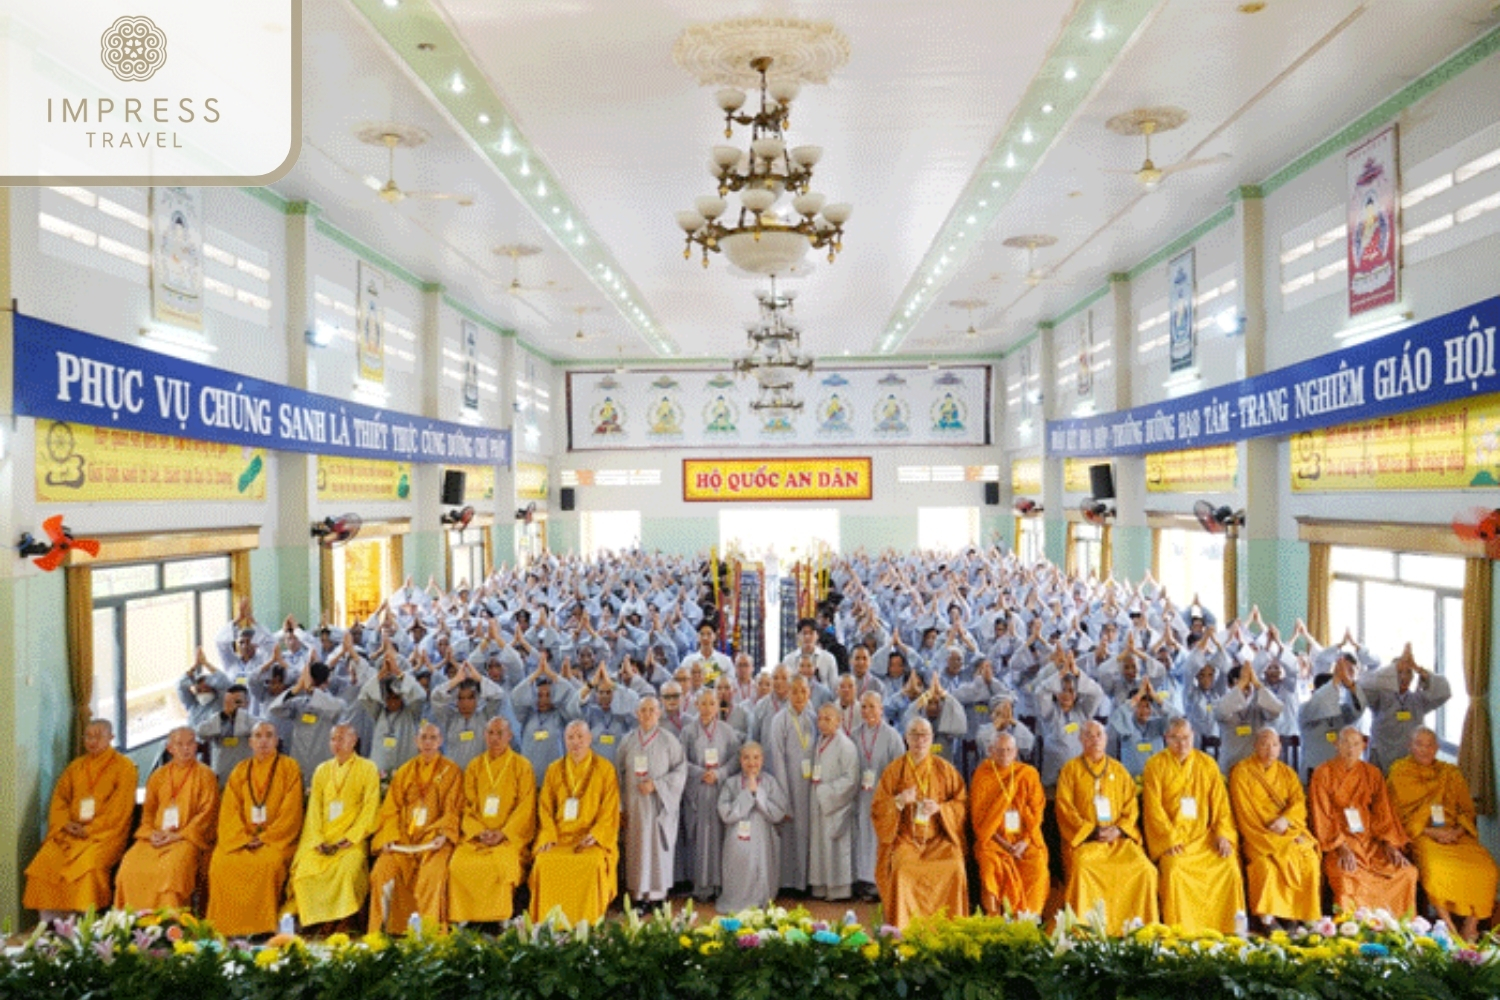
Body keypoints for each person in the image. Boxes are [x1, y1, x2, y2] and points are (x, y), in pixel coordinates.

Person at [1386, 727, 1498, 940]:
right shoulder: (1400, 772)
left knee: (1486, 867)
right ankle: (1447, 925)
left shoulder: (1450, 772)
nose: (1425, 750)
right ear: (1410, 747)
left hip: (1455, 835)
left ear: (1437, 748)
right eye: (1419, 744)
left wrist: (1456, 831)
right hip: (1422, 834)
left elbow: (1466, 810)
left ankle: (1470, 926)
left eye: (1429, 745)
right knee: (1436, 867)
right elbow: (1397, 816)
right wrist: (1432, 832)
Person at [23, 720, 138, 920]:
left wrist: (90, 830)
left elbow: (120, 810)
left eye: (98, 736)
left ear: (111, 738)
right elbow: (60, 799)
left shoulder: (124, 767)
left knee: (88, 866)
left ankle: (85, 924)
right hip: (69, 833)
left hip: (103, 837)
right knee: (44, 862)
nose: (92, 741)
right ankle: (51, 926)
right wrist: (65, 823)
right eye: (88, 736)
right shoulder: (75, 767)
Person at [1054, 720, 1159, 934]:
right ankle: (1087, 929)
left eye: (1099, 735)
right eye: (1089, 736)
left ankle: (1138, 928)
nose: (1095, 740)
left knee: (1145, 869)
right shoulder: (1070, 770)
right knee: (1083, 868)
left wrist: (1118, 829)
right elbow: (1065, 809)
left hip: (1118, 840)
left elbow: (1131, 808)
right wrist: (1092, 831)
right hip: (1086, 842)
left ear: (1106, 739)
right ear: (1081, 739)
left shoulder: (1119, 770)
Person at [1141, 718, 1244, 933]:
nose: (1181, 744)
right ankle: (1182, 930)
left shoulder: (1207, 764)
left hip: (1204, 839)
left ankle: (1227, 929)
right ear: (1166, 739)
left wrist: (1223, 834)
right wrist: (1169, 840)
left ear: (1193, 736)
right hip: (1176, 841)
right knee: (1175, 870)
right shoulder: (1155, 766)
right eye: (1175, 739)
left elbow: (1221, 806)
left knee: (1229, 867)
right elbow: (1153, 810)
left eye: (1186, 738)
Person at [206, 722, 305, 936]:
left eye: (269, 735)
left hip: (276, 840)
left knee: (268, 864)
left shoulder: (290, 768)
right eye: (258, 736)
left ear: (277, 740)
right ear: (250, 742)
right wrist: (242, 838)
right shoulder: (240, 770)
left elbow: (291, 811)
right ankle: (226, 928)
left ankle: (263, 928)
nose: (263, 741)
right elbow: (229, 811)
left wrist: (267, 837)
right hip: (242, 838)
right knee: (221, 863)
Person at [870, 717, 969, 928]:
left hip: (938, 839)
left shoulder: (945, 769)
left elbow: (961, 804)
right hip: (906, 839)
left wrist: (941, 809)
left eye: (924, 735)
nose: (919, 740)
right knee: (902, 871)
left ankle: (949, 929)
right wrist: (898, 801)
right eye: (914, 734)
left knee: (955, 867)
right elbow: (878, 809)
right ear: (906, 738)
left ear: (932, 738)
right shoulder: (894, 771)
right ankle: (903, 931)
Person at [1309, 726, 1417, 916]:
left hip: (1371, 842)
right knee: (1345, 875)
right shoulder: (1323, 773)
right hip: (1340, 842)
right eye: (1345, 743)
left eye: (1356, 744)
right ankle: (1352, 927)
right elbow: (1321, 815)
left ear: (1364, 746)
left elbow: (1383, 812)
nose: (1351, 749)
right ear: (1336, 745)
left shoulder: (1372, 774)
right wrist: (1341, 847)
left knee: (1407, 873)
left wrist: (1390, 845)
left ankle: (1395, 927)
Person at [368, 722, 463, 932]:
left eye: (433, 738)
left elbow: (452, 810)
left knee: (432, 875)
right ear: (416, 741)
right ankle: (379, 934)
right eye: (424, 738)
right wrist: (388, 837)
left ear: (440, 741)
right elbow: (390, 809)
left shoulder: (451, 771)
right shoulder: (405, 771)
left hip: (433, 842)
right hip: (404, 841)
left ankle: (428, 934)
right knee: (380, 872)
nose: (428, 742)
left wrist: (442, 834)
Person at [287, 723, 382, 931]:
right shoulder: (322, 770)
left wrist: (352, 837)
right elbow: (313, 810)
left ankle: (342, 920)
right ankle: (317, 920)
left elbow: (370, 808)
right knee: (305, 870)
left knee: (347, 870)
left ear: (354, 740)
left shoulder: (368, 768)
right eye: (333, 739)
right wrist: (317, 840)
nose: (336, 744)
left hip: (351, 841)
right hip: (322, 840)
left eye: (342, 738)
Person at [114, 726, 220, 911]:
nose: (185, 748)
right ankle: (132, 923)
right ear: (170, 748)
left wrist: (179, 836)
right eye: (180, 744)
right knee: (128, 867)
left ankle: (170, 925)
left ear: (196, 746)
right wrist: (151, 833)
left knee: (171, 871)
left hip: (187, 839)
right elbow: (148, 813)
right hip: (155, 838)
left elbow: (207, 815)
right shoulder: (158, 776)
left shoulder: (206, 775)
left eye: (190, 743)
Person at [1228, 728, 1322, 927]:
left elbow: (1298, 804)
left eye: (1274, 745)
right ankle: (1268, 917)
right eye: (1264, 744)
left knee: (1309, 859)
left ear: (1280, 747)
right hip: (1259, 836)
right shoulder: (1242, 772)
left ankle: (1299, 914)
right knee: (1266, 866)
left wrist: (1287, 821)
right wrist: (1275, 832)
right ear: (1255, 746)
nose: (1269, 749)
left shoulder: (1287, 773)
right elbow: (1244, 813)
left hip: (1287, 830)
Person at [448, 717, 536, 925]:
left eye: (500, 733)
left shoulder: (521, 766)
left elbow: (526, 806)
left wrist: (503, 833)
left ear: (510, 736)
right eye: (491, 733)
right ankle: (465, 916)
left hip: (507, 838)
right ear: (484, 736)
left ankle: (500, 917)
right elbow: (466, 806)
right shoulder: (475, 766)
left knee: (502, 865)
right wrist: (479, 831)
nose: (495, 739)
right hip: (478, 837)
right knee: (458, 864)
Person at [530, 720, 620, 924]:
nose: (576, 742)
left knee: (594, 863)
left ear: (589, 739)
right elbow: (544, 808)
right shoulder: (554, 769)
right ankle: (550, 921)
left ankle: (588, 919)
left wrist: (596, 835)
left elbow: (609, 811)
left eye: (580, 737)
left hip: (589, 839)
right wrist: (548, 835)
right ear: (564, 740)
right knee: (544, 862)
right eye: (570, 737)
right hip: (559, 837)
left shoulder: (605, 769)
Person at [617, 696, 687, 906]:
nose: (647, 714)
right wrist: (621, 806)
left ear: (659, 713)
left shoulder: (669, 740)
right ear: (637, 714)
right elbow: (618, 774)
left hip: (659, 806)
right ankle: (638, 896)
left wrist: (656, 784)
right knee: (636, 849)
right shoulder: (627, 740)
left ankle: (657, 896)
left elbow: (681, 770)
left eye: (651, 710)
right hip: (634, 806)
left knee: (657, 849)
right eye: (643, 710)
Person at [969, 731, 1048, 916]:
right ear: (990, 751)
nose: (1004, 754)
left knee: (1037, 867)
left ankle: (1029, 920)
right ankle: (996, 920)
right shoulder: (983, 775)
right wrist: (1005, 844)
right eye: (1000, 750)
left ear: (1016, 752)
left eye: (1009, 750)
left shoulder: (1028, 774)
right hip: (994, 842)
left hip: (1025, 840)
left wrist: (1024, 842)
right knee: (990, 868)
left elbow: (1037, 812)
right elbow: (980, 820)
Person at [680, 688, 741, 901]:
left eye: (711, 704)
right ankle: (699, 885)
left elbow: (735, 759)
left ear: (717, 706)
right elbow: (680, 761)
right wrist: (699, 773)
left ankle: (719, 884)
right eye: (702, 704)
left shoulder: (727, 731)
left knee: (719, 837)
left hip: (719, 790)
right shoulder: (688, 732)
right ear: (696, 705)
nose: (706, 709)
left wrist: (719, 773)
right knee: (697, 836)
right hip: (697, 792)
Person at [716, 741, 790, 912]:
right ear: (740, 760)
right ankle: (737, 901)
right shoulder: (731, 783)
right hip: (737, 836)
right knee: (739, 868)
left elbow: (779, 810)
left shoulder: (770, 782)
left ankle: (761, 900)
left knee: (761, 869)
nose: (751, 762)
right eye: (746, 758)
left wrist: (758, 794)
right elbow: (725, 812)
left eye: (756, 758)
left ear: (762, 760)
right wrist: (747, 794)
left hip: (763, 835)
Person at [1358, 644, 1452, 772]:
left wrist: (1418, 668)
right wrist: (1395, 667)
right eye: (1399, 672)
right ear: (1389, 676)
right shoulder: (1380, 696)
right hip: (1381, 758)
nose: (1403, 677)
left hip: (1409, 763)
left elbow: (1444, 691)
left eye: (1408, 672)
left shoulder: (1418, 700)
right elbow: (1362, 684)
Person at [850, 691, 905, 902]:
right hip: (861, 795)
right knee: (861, 835)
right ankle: (862, 879)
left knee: (877, 836)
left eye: (872, 706)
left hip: (884, 796)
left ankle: (878, 881)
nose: (868, 711)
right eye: (863, 707)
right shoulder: (855, 735)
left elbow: (899, 768)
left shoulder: (892, 735)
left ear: (881, 709)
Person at [766, 676, 819, 893]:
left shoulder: (814, 718)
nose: (799, 696)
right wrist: (783, 795)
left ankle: (806, 880)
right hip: (788, 782)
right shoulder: (780, 720)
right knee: (790, 832)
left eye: (803, 692)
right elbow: (777, 758)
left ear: (809, 693)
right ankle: (789, 882)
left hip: (811, 785)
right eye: (795, 691)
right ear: (788, 692)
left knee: (808, 833)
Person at [807, 702, 859, 901]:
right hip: (819, 802)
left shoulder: (845, 746)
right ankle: (820, 885)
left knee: (835, 847)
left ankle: (838, 889)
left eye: (828, 718)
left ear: (839, 721)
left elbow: (850, 779)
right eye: (820, 718)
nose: (822, 722)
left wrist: (825, 792)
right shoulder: (820, 741)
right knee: (820, 846)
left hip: (835, 806)